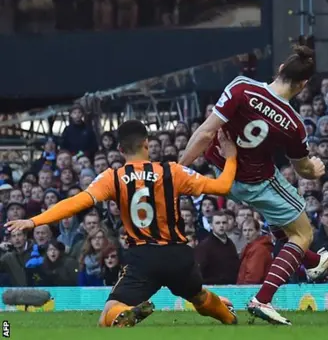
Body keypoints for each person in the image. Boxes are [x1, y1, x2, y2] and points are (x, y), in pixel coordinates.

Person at [5, 120, 239, 328]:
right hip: (179, 255)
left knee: (107, 314)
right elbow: (222, 187)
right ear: (146, 144)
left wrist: (32, 221)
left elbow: (74, 203)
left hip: (144, 258)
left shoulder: (112, 178)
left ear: (120, 149)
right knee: (198, 297)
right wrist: (231, 157)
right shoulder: (172, 171)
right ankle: (228, 317)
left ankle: (125, 312)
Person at [179, 45, 328, 325]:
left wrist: (179, 168)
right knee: (302, 232)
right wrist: (315, 169)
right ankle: (263, 299)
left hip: (224, 172)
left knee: (282, 224)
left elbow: (206, 132)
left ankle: (313, 262)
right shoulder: (294, 124)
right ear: (303, 85)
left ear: (281, 69)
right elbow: (302, 169)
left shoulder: (241, 87)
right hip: (257, 181)